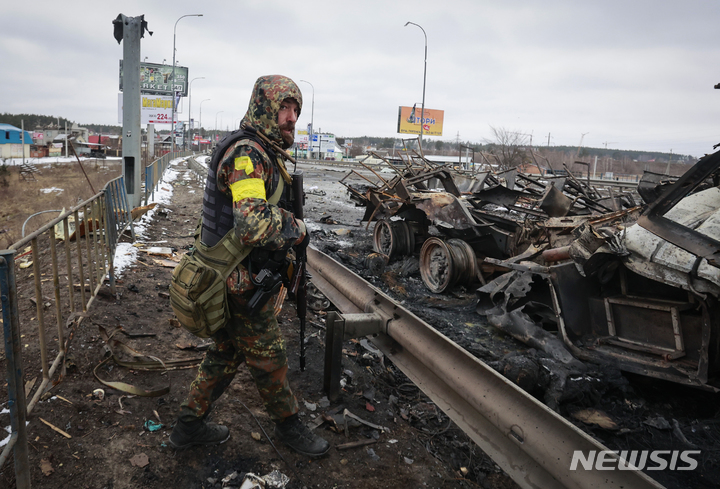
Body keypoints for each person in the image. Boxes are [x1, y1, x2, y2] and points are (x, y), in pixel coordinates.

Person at [169, 75, 330, 457]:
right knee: (269, 354)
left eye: (295, 110)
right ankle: (290, 427)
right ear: (264, 109)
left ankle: (186, 427)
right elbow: (253, 222)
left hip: (234, 274)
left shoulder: (263, 150)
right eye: (284, 109)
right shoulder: (247, 154)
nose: (291, 118)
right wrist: (299, 228)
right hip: (234, 279)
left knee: (227, 351)